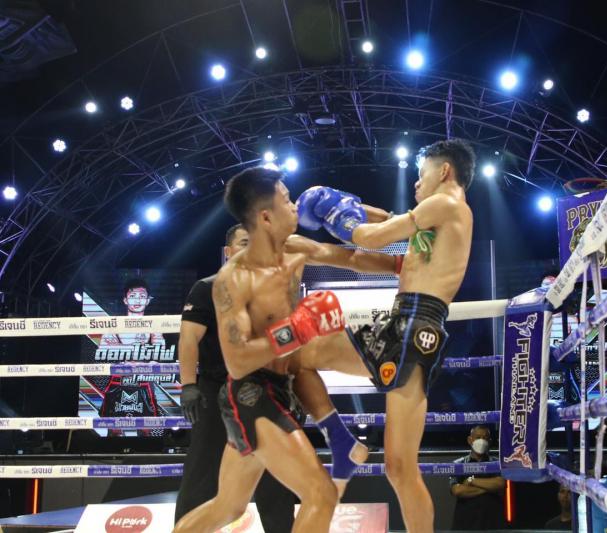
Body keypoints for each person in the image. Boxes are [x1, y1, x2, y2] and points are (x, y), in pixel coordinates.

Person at [173, 166, 398, 533]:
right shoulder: (233, 280)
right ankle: (384, 374)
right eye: (286, 199)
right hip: (251, 395)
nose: (295, 206)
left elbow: (352, 259)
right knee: (321, 494)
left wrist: (402, 265)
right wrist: (297, 328)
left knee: (227, 507)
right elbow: (237, 361)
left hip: (284, 386)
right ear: (265, 217)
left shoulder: (293, 249)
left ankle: (381, 375)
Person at [295, 138, 476, 533]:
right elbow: (373, 248)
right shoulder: (435, 224)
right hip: (406, 326)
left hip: (415, 328)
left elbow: (369, 237)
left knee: (400, 467)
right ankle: (341, 441)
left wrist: (338, 216)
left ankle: (339, 441)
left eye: (421, 174)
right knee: (398, 467)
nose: (416, 183)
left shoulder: (446, 205)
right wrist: (319, 240)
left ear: (445, 171)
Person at [174, 224, 297, 531]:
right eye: (244, 243)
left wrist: (294, 387)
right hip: (216, 389)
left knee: (276, 476)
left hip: (266, 390)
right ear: (228, 251)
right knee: (202, 473)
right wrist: (188, 385)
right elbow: (188, 338)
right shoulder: (208, 287)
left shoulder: (272, 288)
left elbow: (287, 342)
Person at [99, 278, 164, 422]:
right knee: (112, 424)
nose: (137, 300)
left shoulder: (153, 325)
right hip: (118, 379)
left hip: (143, 379)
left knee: (147, 425)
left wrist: (147, 364)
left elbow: (160, 353)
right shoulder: (115, 324)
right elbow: (103, 349)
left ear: (147, 300)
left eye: (142, 296)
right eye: (133, 296)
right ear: (125, 300)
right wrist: (123, 360)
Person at [448, 425, 505, 530]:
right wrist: (489, 488)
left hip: (492, 522)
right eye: (478, 437)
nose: (481, 441)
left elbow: (500, 484)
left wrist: (471, 480)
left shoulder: (497, 463)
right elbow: (457, 490)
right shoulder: (458, 464)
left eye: (485, 438)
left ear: (490, 441)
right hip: (465, 523)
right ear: (470, 440)